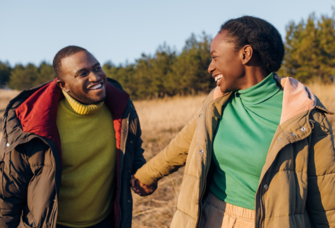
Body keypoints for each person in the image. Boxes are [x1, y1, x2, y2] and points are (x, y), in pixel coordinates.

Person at [131, 16, 335, 228]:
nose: (210, 67)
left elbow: (326, 196)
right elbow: (183, 143)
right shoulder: (217, 103)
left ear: (245, 54)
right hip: (211, 218)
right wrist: (146, 176)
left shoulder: (306, 116)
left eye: (215, 57)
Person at [0, 46, 147, 228]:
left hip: (107, 222)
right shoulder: (32, 125)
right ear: (64, 85)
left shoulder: (121, 107)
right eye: (83, 73)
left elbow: (134, 150)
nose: (95, 77)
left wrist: (143, 173)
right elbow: (9, 193)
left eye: (97, 68)